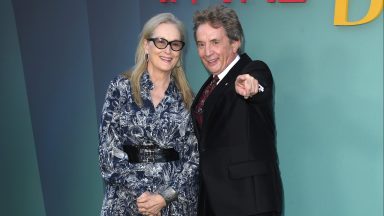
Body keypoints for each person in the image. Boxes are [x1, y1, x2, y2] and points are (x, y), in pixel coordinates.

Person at [98, 13, 199, 216]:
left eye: (175, 44)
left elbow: (194, 159)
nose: (168, 50)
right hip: (125, 203)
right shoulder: (121, 88)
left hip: (174, 206)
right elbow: (108, 152)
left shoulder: (188, 99)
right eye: (161, 42)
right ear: (146, 45)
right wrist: (144, 198)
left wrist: (163, 198)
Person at [191, 5, 283, 216]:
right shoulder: (210, 85)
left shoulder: (252, 70)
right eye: (201, 44)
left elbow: (259, 87)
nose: (207, 52)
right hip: (213, 202)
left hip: (248, 203)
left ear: (235, 42)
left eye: (215, 42)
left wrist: (252, 87)